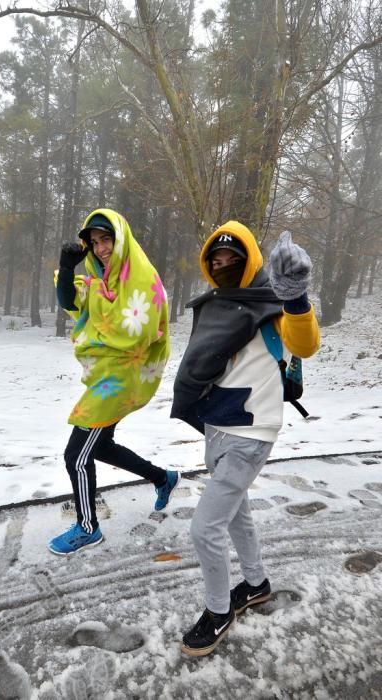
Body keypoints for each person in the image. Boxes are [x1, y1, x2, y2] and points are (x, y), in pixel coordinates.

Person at [171, 223, 320, 657]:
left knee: (205, 529)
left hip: (250, 431)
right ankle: (256, 584)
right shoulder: (221, 305)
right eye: (215, 261)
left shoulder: (272, 302)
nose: (222, 266)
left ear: (250, 258)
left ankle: (219, 612)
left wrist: (295, 296)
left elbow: (305, 343)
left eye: (232, 259)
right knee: (237, 515)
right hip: (218, 426)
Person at [48, 208, 179, 555]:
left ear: (121, 239)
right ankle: (163, 478)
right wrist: (67, 266)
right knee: (101, 445)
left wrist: (102, 336)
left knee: (76, 455)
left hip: (122, 379)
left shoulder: (140, 277)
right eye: (94, 242)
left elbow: (138, 332)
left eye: (107, 239)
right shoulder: (100, 281)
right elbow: (68, 301)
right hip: (108, 377)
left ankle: (88, 528)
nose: (101, 247)